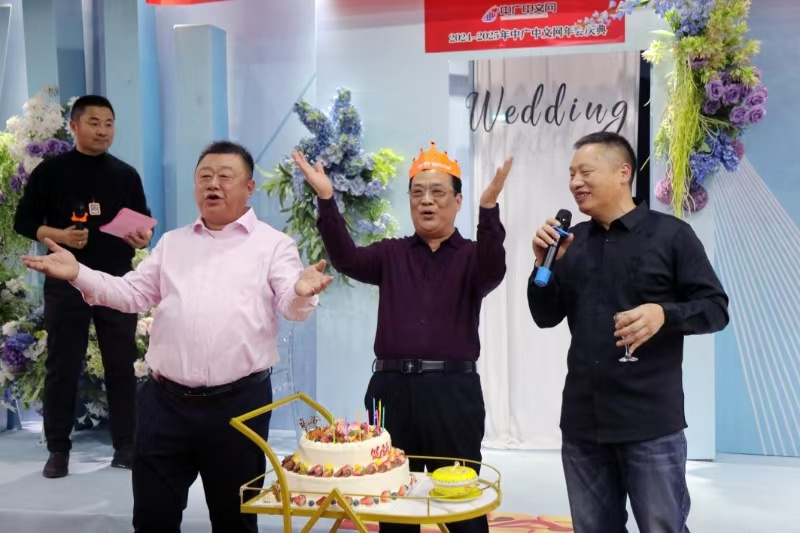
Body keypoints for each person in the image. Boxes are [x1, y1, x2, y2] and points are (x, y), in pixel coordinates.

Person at [21, 141, 334, 533]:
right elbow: (131, 293)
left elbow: (291, 303)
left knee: (235, 521)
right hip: (164, 404)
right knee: (152, 519)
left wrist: (302, 292)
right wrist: (77, 273)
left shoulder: (273, 245)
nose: (213, 184)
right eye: (205, 176)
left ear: (249, 188)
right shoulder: (173, 243)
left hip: (239, 407)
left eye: (225, 177)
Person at [293, 142, 511, 533]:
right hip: (389, 391)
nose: (426, 200)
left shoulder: (473, 257)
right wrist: (326, 199)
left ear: (458, 201)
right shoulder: (390, 254)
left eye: (438, 192)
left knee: (462, 504)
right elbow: (346, 259)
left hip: (452, 393)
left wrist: (489, 209)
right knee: (392, 502)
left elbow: (495, 268)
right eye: (417, 192)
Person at [527, 131, 729, 533]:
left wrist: (663, 314)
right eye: (571, 174)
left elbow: (715, 308)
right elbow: (544, 316)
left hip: (649, 423)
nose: (575, 183)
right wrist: (540, 267)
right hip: (583, 423)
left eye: (585, 172)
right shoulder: (571, 242)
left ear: (623, 172)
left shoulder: (671, 235)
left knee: (662, 527)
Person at [14, 95, 153, 477]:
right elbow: (23, 222)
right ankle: (58, 449)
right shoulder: (51, 172)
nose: (103, 130)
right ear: (74, 126)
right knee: (62, 364)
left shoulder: (126, 175)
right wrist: (58, 235)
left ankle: (126, 445)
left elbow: (142, 226)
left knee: (121, 364)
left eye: (109, 123)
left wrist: (141, 237)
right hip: (66, 283)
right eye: (94, 123)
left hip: (116, 282)